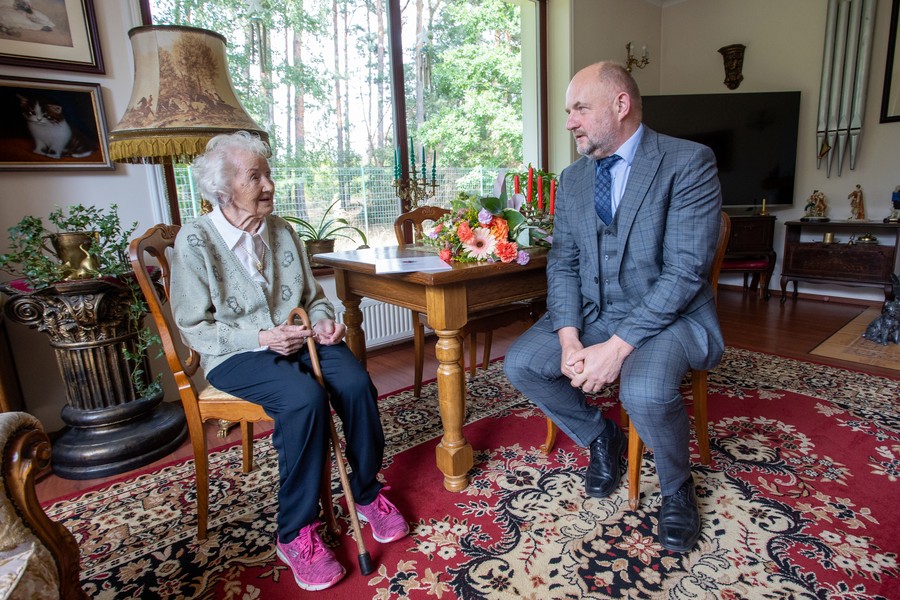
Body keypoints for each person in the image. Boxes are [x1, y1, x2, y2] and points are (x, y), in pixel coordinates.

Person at [170, 131, 408, 592]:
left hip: (300, 340)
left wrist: (323, 323)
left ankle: (365, 491)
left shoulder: (282, 231)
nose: (269, 185)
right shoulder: (195, 241)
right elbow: (193, 325)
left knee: (358, 383)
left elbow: (314, 298)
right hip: (236, 353)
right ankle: (295, 530)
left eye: (268, 174)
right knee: (304, 400)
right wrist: (261, 336)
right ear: (223, 189)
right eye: (255, 176)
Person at [504, 62, 724, 553]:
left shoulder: (687, 162)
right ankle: (601, 438)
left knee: (643, 392)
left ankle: (676, 488)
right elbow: (563, 263)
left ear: (620, 105)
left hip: (672, 315)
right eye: (567, 111)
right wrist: (569, 338)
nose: (569, 122)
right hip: (594, 308)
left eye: (580, 108)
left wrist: (616, 349)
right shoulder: (574, 179)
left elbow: (686, 272)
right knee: (523, 364)